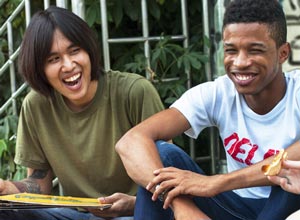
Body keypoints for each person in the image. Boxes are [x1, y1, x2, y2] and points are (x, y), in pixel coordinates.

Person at [115, 0, 300, 219]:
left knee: (290, 175)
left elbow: (292, 163)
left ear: (283, 53)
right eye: (231, 50)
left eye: (255, 50)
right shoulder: (217, 93)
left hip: (289, 207)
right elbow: (130, 142)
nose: (240, 62)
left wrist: (215, 183)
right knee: (162, 155)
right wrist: (181, 207)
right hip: (235, 208)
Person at [0, 6, 164, 220]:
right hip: (77, 216)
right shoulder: (36, 105)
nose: (69, 65)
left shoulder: (134, 92)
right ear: (39, 69)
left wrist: (133, 205)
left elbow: (168, 176)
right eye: (53, 59)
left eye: (75, 51)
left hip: (137, 214)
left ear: (88, 50)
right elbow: (39, 186)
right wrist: (6, 188)